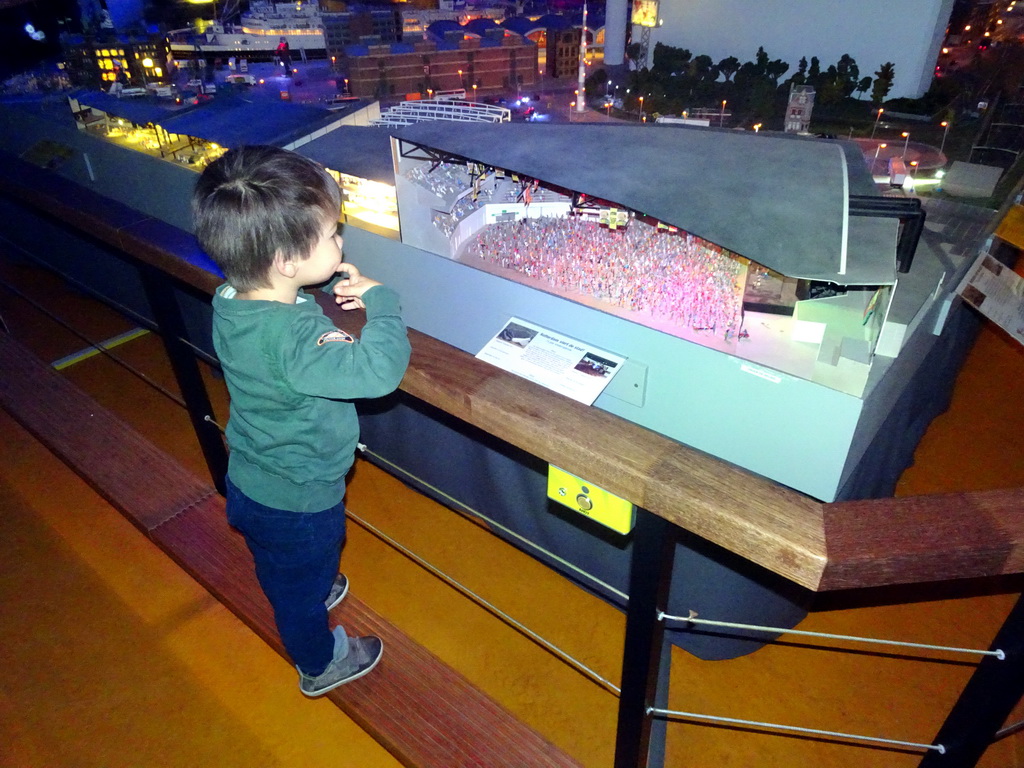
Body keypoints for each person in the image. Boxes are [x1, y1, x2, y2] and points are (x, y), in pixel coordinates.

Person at [192, 145, 411, 697]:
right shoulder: (291, 339)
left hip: (253, 476)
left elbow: (286, 333)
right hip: (300, 497)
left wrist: (314, 296)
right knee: (295, 593)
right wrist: (382, 303)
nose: (341, 242)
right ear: (287, 261)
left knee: (282, 560)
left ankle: (300, 577)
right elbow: (378, 370)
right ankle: (320, 662)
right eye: (333, 234)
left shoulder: (234, 300)